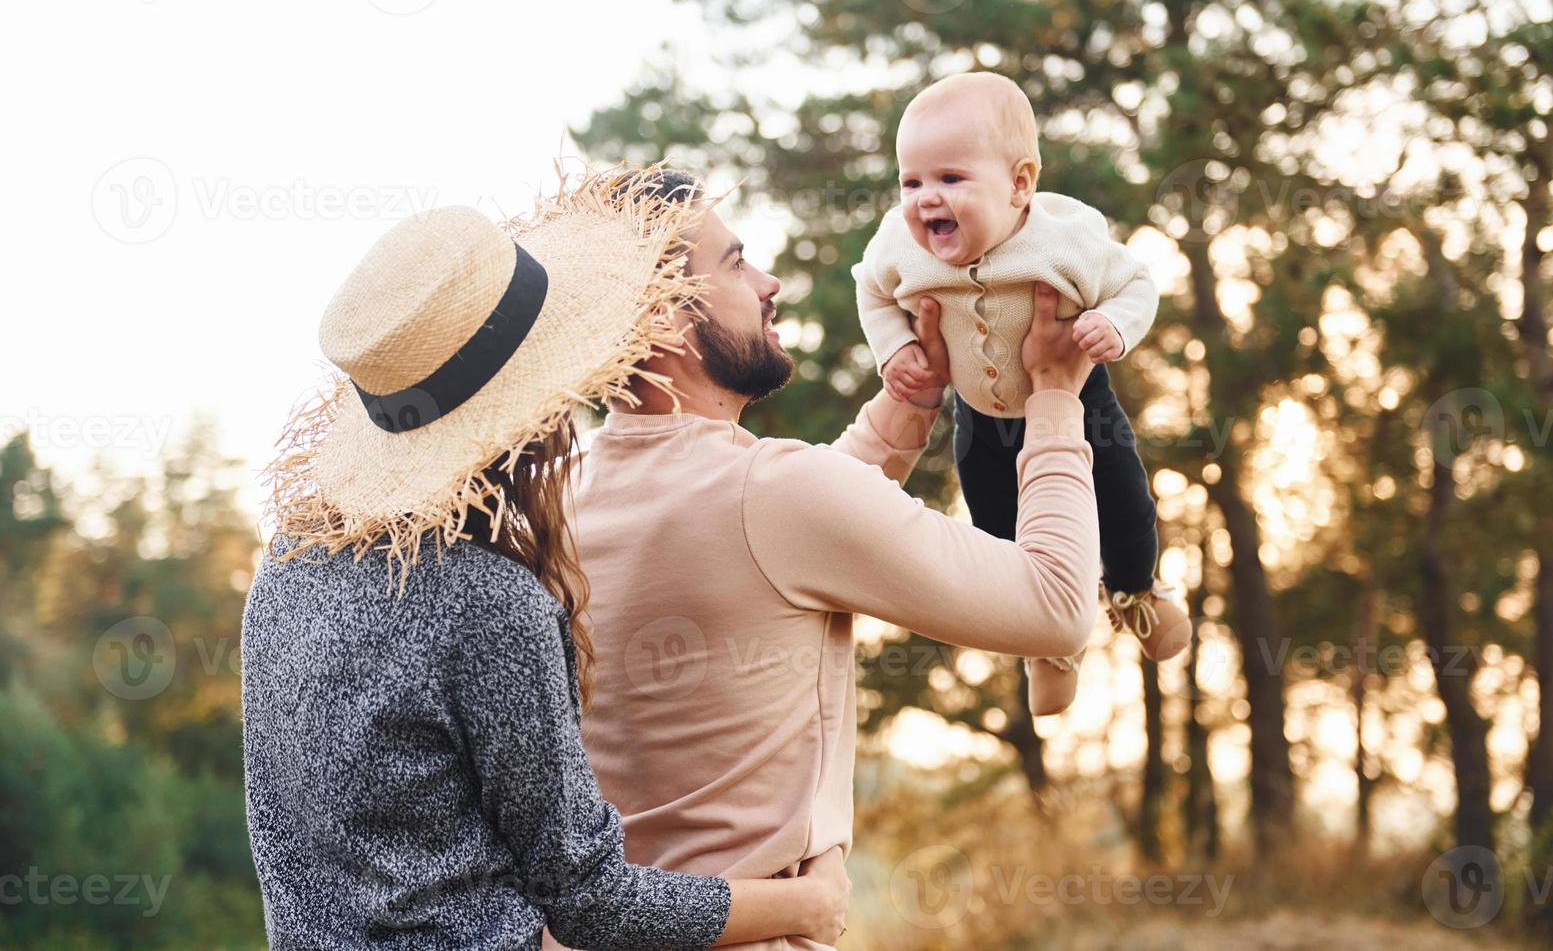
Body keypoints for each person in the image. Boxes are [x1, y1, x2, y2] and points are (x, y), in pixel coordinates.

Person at [240, 170, 848, 950]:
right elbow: (589, 901)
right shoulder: (488, 603)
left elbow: (299, 854)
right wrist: (808, 905)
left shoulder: (288, 569)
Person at [557, 168, 1098, 950]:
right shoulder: (771, 492)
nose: (768, 282)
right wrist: (1054, 395)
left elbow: (775, 544)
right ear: (666, 321)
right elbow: (1054, 607)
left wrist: (908, 404)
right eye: (735, 264)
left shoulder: (561, 501)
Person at [853, 71, 1192, 714]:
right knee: (998, 532)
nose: (926, 199)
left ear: (1020, 184)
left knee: (1124, 503)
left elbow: (1138, 284)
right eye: (911, 181)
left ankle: (1136, 593)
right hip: (980, 418)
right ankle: (1049, 644)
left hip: (1081, 402)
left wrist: (1113, 325)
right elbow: (870, 292)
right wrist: (894, 347)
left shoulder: (1065, 240)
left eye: (951, 179)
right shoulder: (899, 247)